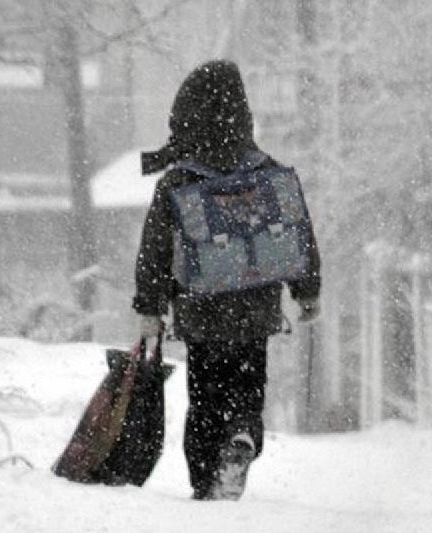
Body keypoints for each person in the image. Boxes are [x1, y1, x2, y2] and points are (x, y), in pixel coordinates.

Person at [133, 59, 321, 501]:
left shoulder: (178, 180)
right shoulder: (266, 169)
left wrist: (150, 308)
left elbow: (154, 250)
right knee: (247, 386)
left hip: (201, 311)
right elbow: (298, 231)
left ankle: (205, 481)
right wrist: (307, 290)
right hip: (256, 308)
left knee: (205, 395)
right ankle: (242, 435)